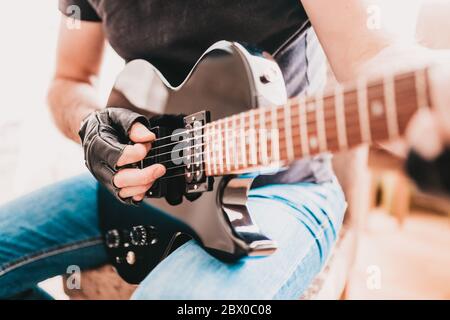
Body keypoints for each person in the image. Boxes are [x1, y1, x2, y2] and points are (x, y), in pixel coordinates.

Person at [0, 0, 447, 299]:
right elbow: (69, 79)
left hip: (280, 191)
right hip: (145, 181)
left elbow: (370, 53)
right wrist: (89, 126)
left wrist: (430, 88)